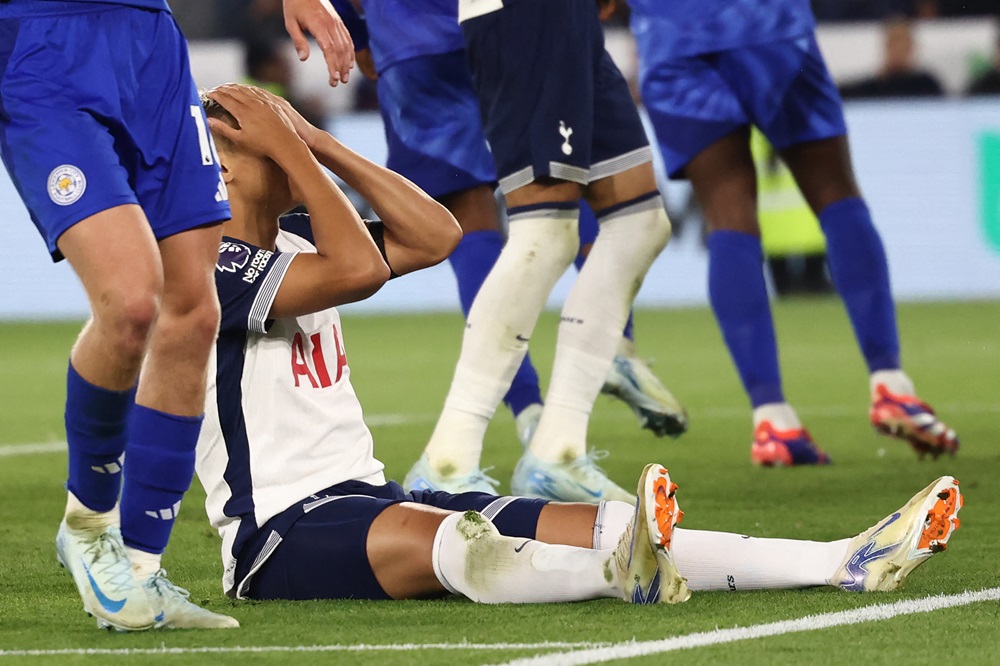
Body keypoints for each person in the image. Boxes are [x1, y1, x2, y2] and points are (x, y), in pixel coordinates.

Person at [195, 85, 963, 605]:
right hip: (280, 537)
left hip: (369, 496)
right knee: (459, 540)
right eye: (232, 157)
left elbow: (435, 235)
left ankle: (840, 559)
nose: (221, 173)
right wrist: (295, 147)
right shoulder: (208, 266)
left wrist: (313, 138)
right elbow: (362, 268)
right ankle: (616, 573)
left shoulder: (300, 236)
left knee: (586, 516)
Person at [0, 0, 357, 633]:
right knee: (133, 301)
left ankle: (139, 573)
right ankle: (87, 524)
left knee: (192, 314)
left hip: (149, 42)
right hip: (40, 42)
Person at [329, 0, 688, 487]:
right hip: (519, 14)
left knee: (640, 220)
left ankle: (558, 448)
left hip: (525, 23)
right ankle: (448, 461)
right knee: (545, 226)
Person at [628, 0, 960, 465]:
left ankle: (772, 418)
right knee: (834, 190)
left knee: (727, 210)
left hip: (670, 38)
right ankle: (890, 383)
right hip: (764, 23)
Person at [839, 18, 945, 99]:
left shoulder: (927, 84)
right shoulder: (874, 87)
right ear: (886, 46)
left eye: (902, 44)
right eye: (894, 43)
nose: (898, 50)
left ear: (912, 47)